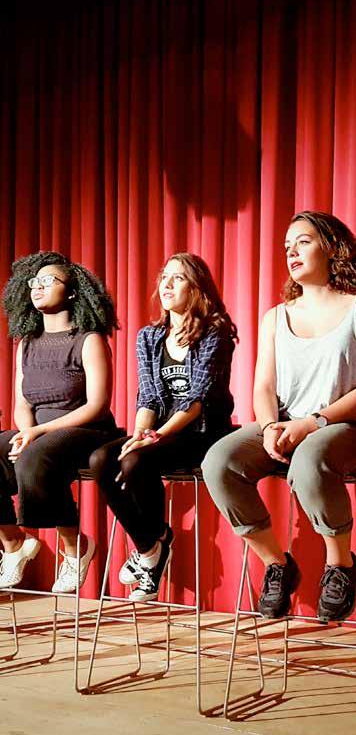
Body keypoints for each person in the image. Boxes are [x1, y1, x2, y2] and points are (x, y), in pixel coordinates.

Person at [202, 211, 356, 622]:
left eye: (302, 241)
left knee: (309, 459)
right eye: (287, 245)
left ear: (332, 247)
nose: (291, 250)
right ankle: (277, 564)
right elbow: (263, 388)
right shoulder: (276, 316)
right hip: (285, 424)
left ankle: (340, 565)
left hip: (347, 428)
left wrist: (312, 423)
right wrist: (269, 426)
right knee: (219, 462)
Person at [90, 253, 237, 602]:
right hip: (160, 430)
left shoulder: (214, 333)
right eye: (165, 277)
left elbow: (197, 399)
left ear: (196, 288)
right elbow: (149, 396)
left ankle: (150, 556)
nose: (167, 284)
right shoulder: (150, 337)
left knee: (135, 461)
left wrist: (155, 437)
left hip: (202, 432)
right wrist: (141, 433)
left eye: (179, 278)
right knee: (101, 460)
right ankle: (152, 545)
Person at [0, 251, 119, 592]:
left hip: (87, 430)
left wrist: (35, 434)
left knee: (35, 456)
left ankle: (76, 547)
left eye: (48, 280)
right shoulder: (26, 344)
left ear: (70, 292)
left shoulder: (88, 339)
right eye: (34, 281)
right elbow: (22, 401)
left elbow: (97, 405)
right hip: (37, 432)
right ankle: (14, 544)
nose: (37, 286)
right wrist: (26, 432)